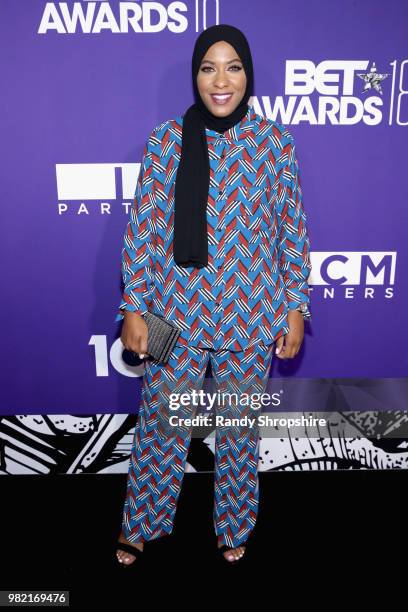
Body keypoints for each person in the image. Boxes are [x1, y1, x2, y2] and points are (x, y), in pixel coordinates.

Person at [115, 24, 312, 564]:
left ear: (247, 75)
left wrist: (295, 306)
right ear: (195, 76)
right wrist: (134, 305)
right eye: (208, 68)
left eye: (233, 67)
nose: (220, 80)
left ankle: (233, 527)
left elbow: (289, 231)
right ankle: (143, 524)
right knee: (160, 424)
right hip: (172, 312)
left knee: (238, 432)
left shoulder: (276, 144)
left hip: (251, 314)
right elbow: (143, 230)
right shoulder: (166, 140)